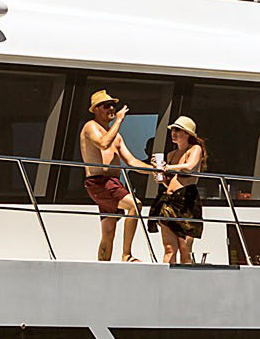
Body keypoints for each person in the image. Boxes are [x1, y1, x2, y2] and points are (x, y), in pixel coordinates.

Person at [78, 90, 141, 262]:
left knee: (108, 232)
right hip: (100, 182)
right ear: (96, 109)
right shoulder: (90, 126)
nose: (112, 108)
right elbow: (103, 144)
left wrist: (155, 170)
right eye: (107, 106)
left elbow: (132, 161)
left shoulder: (116, 136)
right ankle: (127, 254)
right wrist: (119, 120)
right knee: (135, 205)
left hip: (112, 182)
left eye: (113, 105)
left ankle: (102, 266)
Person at [150, 117, 206, 266]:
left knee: (184, 248)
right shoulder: (171, 155)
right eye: (173, 130)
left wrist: (167, 167)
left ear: (188, 133)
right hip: (169, 200)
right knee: (169, 248)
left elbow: (190, 167)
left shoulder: (195, 149)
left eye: (178, 130)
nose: (173, 133)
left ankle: (185, 284)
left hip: (186, 200)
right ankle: (164, 282)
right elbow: (169, 181)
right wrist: (160, 176)